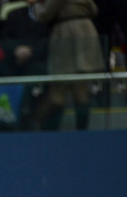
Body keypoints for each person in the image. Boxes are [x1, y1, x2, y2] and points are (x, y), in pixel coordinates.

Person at [29, 0, 106, 130]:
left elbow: (45, 14)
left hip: (66, 36)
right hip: (86, 32)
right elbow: (93, 9)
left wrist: (35, 4)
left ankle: (45, 131)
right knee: (79, 87)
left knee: (61, 90)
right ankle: (81, 134)